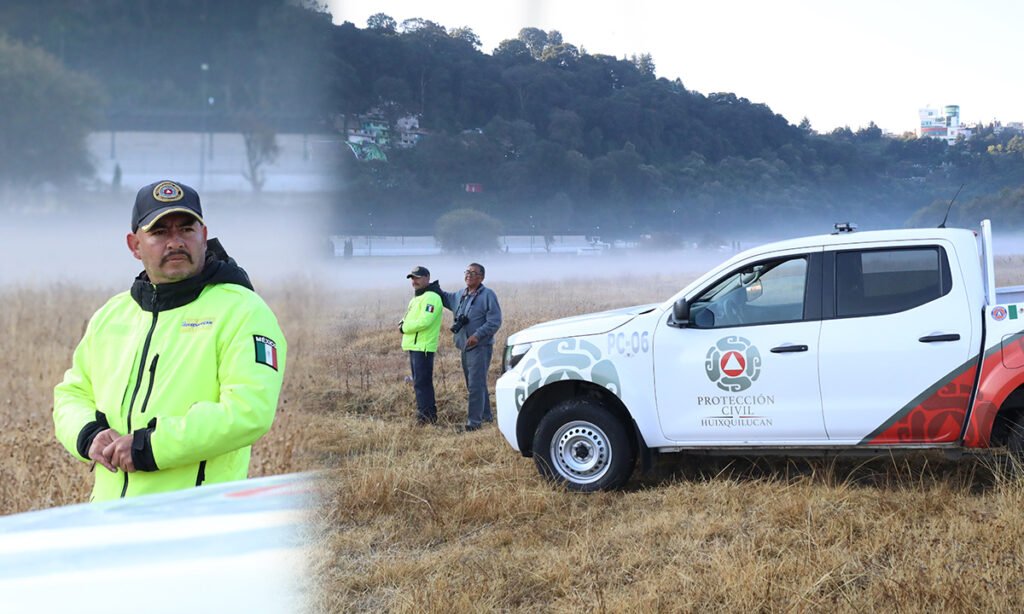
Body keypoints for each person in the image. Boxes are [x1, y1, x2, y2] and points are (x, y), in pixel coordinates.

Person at [53, 180, 287, 501]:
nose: (175, 242)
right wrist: (87, 435)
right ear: (134, 245)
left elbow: (249, 412)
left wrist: (150, 448)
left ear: (203, 237)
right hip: (107, 525)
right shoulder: (112, 315)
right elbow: (72, 394)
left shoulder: (243, 311)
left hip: (196, 524)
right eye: (159, 232)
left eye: (186, 230)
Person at [440, 262, 502, 431]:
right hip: (464, 346)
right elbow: (444, 298)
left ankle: (473, 423)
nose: (469, 275)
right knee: (475, 383)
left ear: (481, 277)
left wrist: (478, 335)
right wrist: (430, 287)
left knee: (475, 385)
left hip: (480, 346)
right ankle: (486, 416)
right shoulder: (461, 294)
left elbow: (495, 321)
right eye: (467, 272)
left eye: (473, 273)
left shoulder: (488, 295)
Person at [400, 265, 443, 425]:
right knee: (419, 382)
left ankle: (426, 417)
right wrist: (402, 323)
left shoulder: (432, 297)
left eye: (417, 277)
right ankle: (426, 415)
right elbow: (407, 318)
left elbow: (425, 321)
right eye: (412, 278)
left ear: (427, 278)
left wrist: (403, 327)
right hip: (414, 346)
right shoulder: (416, 298)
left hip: (423, 347)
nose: (414, 281)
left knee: (422, 383)